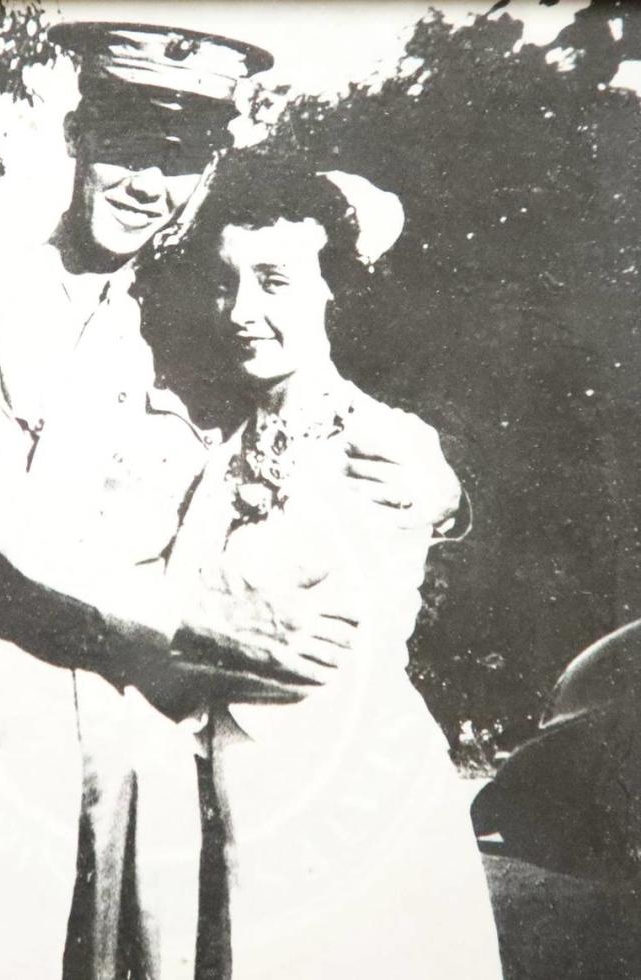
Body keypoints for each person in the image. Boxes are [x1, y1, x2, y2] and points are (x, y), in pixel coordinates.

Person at [0, 22, 469, 979]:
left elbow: (337, 391)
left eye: (178, 160)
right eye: (125, 145)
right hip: (12, 683)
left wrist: (448, 493)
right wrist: (211, 616)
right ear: (77, 134)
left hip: (160, 713)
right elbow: (20, 531)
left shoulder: (203, 312)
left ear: (208, 168)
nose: (146, 184)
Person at [128, 145, 504, 977]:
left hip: (354, 815)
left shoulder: (390, 446)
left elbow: (327, 640)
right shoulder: (216, 461)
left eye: (275, 280)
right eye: (226, 281)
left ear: (336, 289)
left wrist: (448, 496)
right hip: (230, 820)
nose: (238, 310)